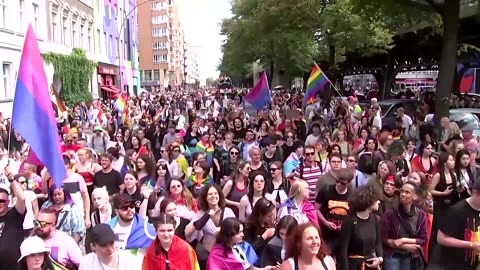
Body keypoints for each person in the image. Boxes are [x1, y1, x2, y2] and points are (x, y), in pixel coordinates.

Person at [433, 180, 480, 270]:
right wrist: (471, 245)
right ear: (475, 193)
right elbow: (441, 238)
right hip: (457, 264)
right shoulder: (456, 211)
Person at [338, 186, 383, 270]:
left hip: (371, 263)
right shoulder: (349, 221)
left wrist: (380, 259)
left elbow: (378, 243)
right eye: (376, 199)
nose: (379, 202)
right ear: (368, 201)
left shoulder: (376, 219)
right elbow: (343, 249)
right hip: (354, 265)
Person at [207, 217, 277, 270]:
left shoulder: (244, 246)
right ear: (229, 234)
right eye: (239, 232)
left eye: (242, 231)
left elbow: (248, 267)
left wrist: (264, 269)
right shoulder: (216, 255)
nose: (242, 235)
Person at [0, 165, 26, 270]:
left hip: (13, 266)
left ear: (8, 202)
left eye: (2, 201)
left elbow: (22, 199)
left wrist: (11, 180)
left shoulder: (15, 215)